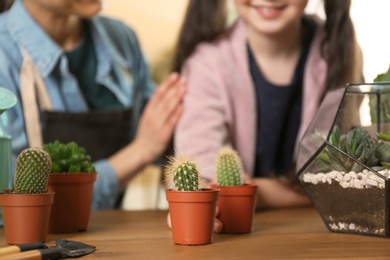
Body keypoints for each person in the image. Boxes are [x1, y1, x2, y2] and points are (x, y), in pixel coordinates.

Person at [172, 0, 363, 232]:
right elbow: (202, 173)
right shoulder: (205, 64)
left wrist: (254, 192)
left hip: (317, 233)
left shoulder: (340, 52)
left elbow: (342, 178)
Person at [0, 0, 186, 209]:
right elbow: (15, 204)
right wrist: (140, 152)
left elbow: (166, 135)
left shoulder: (121, 39)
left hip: (119, 235)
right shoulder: (4, 59)